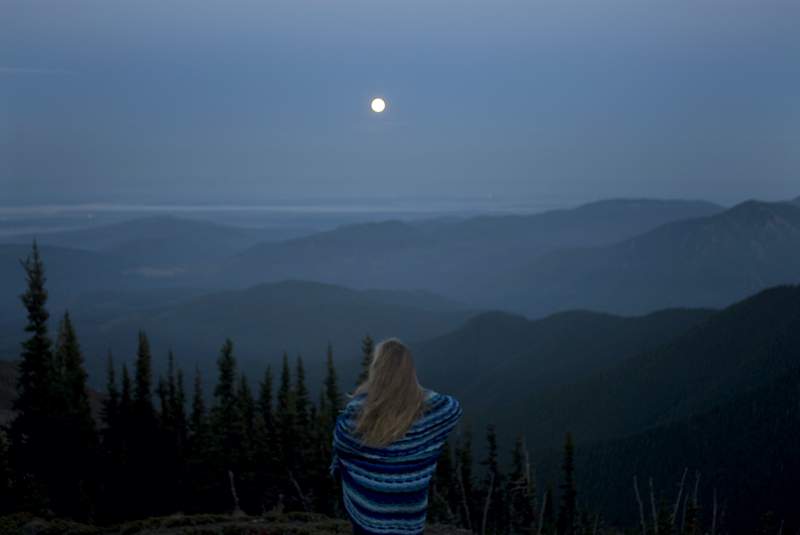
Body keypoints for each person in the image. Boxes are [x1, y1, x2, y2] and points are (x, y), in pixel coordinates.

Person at [330, 338, 462, 535]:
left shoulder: (356, 412)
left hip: (368, 512)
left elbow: (341, 448)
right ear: (410, 371)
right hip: (410, 516)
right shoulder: (430, 411)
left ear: (376, 369)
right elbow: (453, 407)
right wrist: (417, 393)